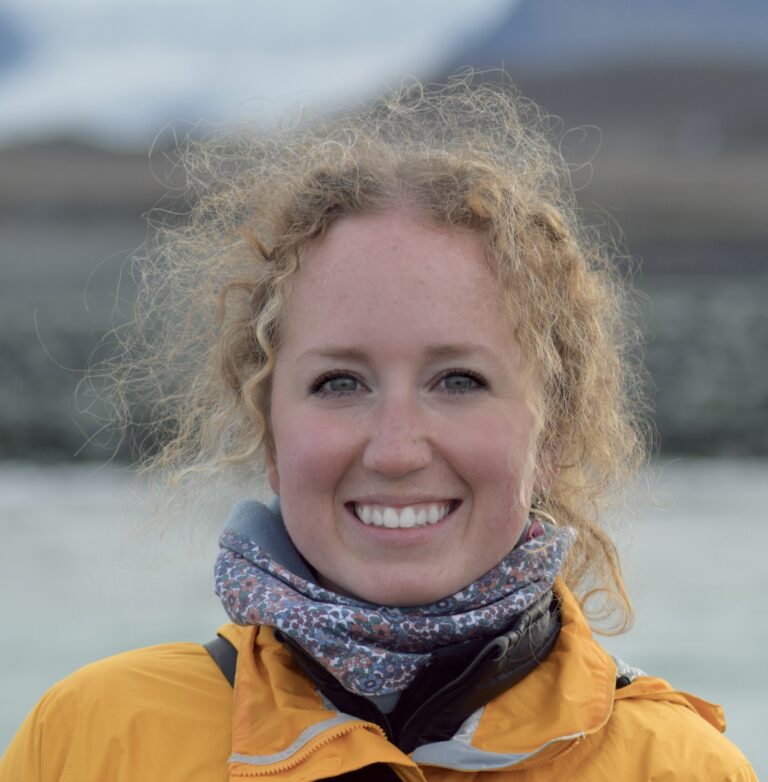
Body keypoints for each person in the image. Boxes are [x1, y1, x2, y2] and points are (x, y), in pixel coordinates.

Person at [0, 76, 756, 781]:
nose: (396, 450)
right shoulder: (93, 741)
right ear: (269, 437)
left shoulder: (677, 767)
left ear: (552, 434)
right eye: (339, 383)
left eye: (458, 381)